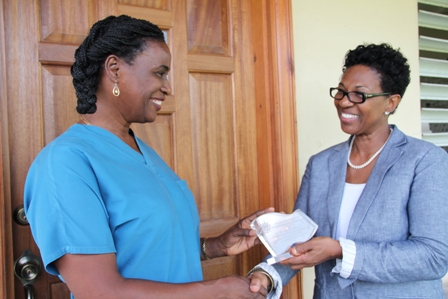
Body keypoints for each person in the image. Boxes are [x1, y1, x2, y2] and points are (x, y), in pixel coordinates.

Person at [24, 15, 274, 299]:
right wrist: (214, 290)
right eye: (159, 72)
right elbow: (99, 291)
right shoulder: (65, 164)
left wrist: (214, 246)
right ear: (114, 69)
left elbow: (147, 248)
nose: (168, 87)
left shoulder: (142, 151)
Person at [248, 43, 448, 298]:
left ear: (391, 102)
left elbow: (432, 257)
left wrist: (341, 250)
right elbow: (299, 241)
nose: (344, 102)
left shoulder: (424, 160)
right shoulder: (321, 164)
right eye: (341, 92)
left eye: (358, 94)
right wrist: (267, 274)